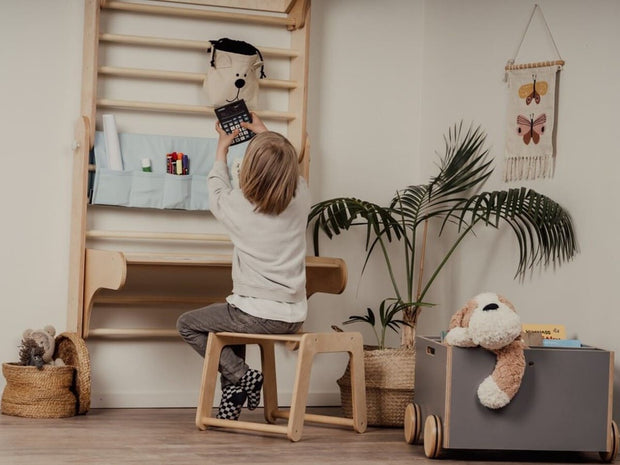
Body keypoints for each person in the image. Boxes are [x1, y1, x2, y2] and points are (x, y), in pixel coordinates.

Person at [177, 114, 310, 421]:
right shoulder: (302, 198)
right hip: (294, 316)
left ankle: (245, 376)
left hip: (256, 316)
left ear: (247, 171)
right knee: (230, 317)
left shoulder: (238, 206)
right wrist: (264, 133)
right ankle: (233, 395)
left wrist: (222, 148)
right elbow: (291, 171)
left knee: (187, 324)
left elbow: (216, 188)